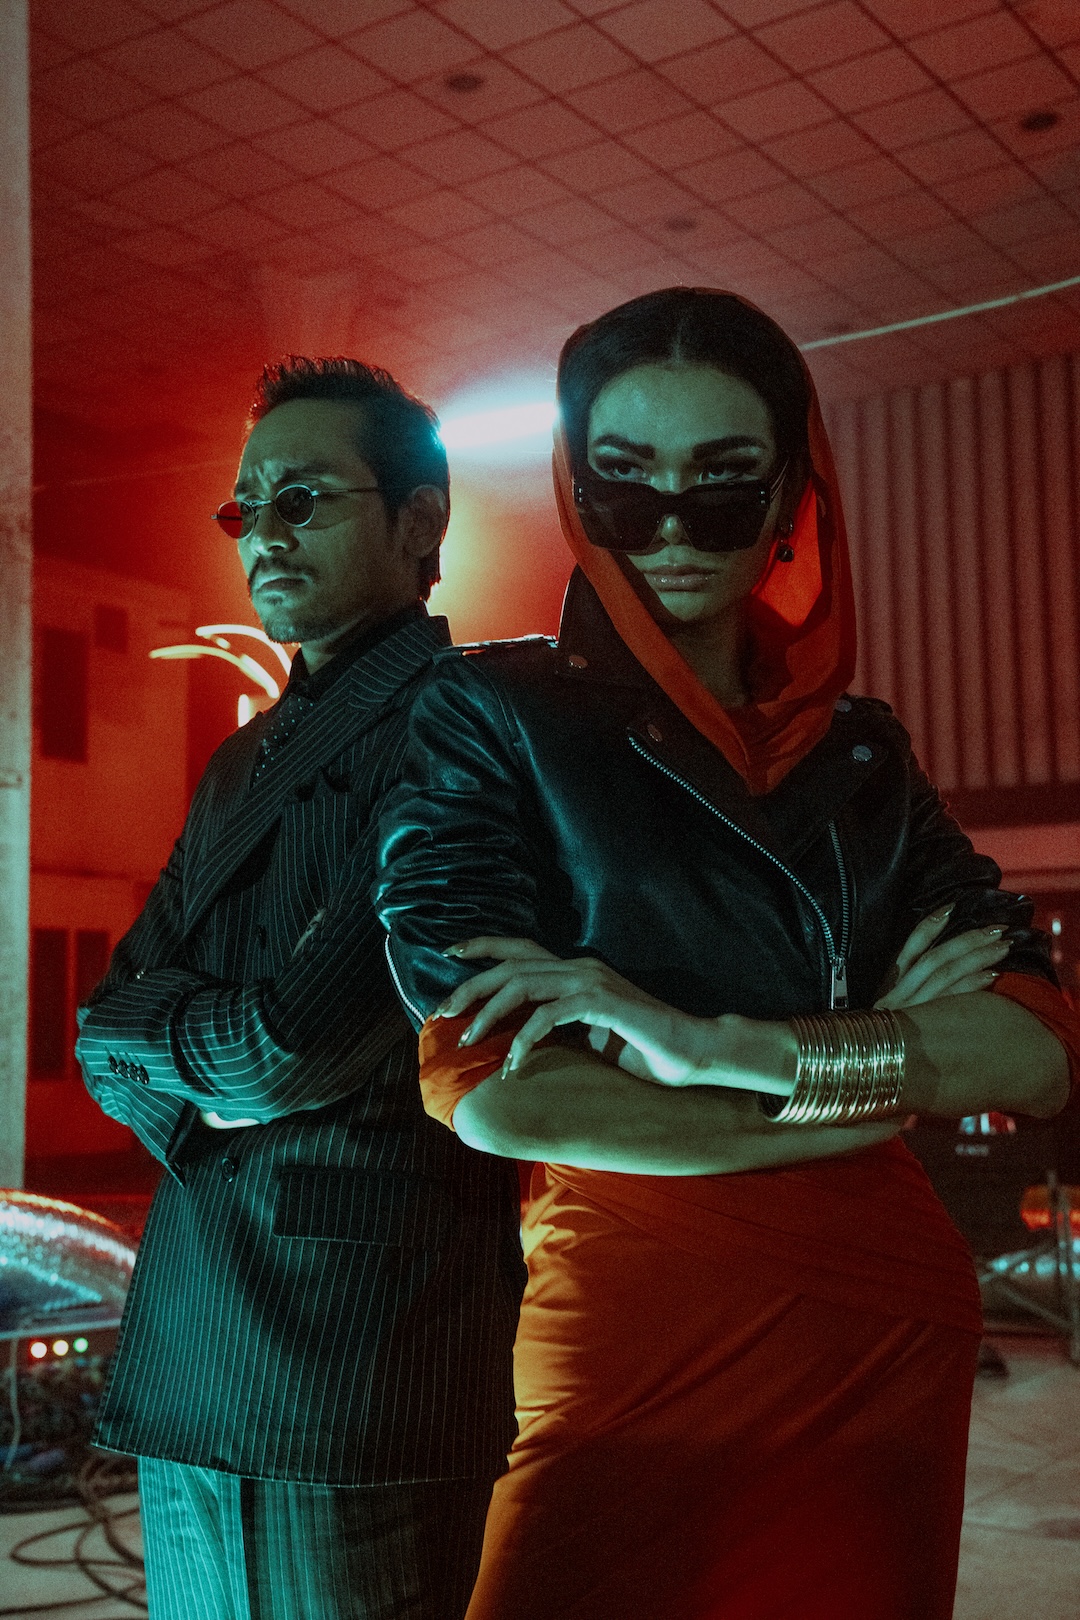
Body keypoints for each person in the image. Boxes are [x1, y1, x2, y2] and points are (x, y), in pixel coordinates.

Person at [374, 289, 1080, 1620]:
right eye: (626, 484)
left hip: (881, 1316)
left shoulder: (864, 754)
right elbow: (504, 1091)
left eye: (723, 485)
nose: (672, 530)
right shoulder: (490, 712)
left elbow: (1036, 1051)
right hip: (636, 1309)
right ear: (576, 491)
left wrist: (717, 1047)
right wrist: (875, 1086)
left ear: (790, 500)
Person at [76, 357, 524, 1620]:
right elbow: (100, 1027)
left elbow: (289, 1045)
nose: (263, 534)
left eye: (305, 499)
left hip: (355, 1351)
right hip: (203, 1329)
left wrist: (186, 1056)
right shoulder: (240, 760)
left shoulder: (459, 724)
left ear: (422, 521)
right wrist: (198, 1082)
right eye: (246, 507)